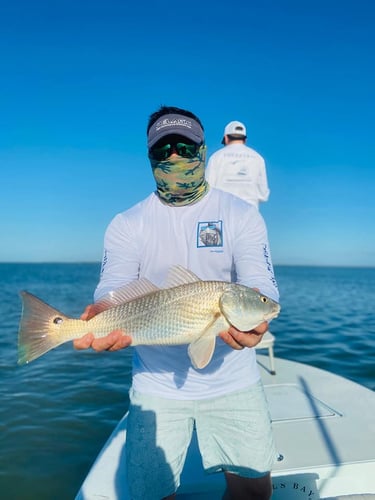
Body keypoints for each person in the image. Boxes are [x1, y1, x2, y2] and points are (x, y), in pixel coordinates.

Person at [74, 106, 279, 500]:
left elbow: (258, 281)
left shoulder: (241, 214)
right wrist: (102, 312)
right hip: (156, 385)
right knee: (152, 495)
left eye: (184, 147)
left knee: (255, 494)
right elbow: (114, 285)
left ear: (203, 151)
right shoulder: (127, 223)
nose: (174, 156)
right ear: (150, 157)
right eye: (163, 149)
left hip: (233, 378)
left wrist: (257, 318)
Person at [205, 120, 270, 209]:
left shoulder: (216, 157)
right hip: (250, 215)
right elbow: (263, 195)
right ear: (245, 140)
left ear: (226, 138)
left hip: (222, 212)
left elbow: (207, 190)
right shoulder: (258, 158)